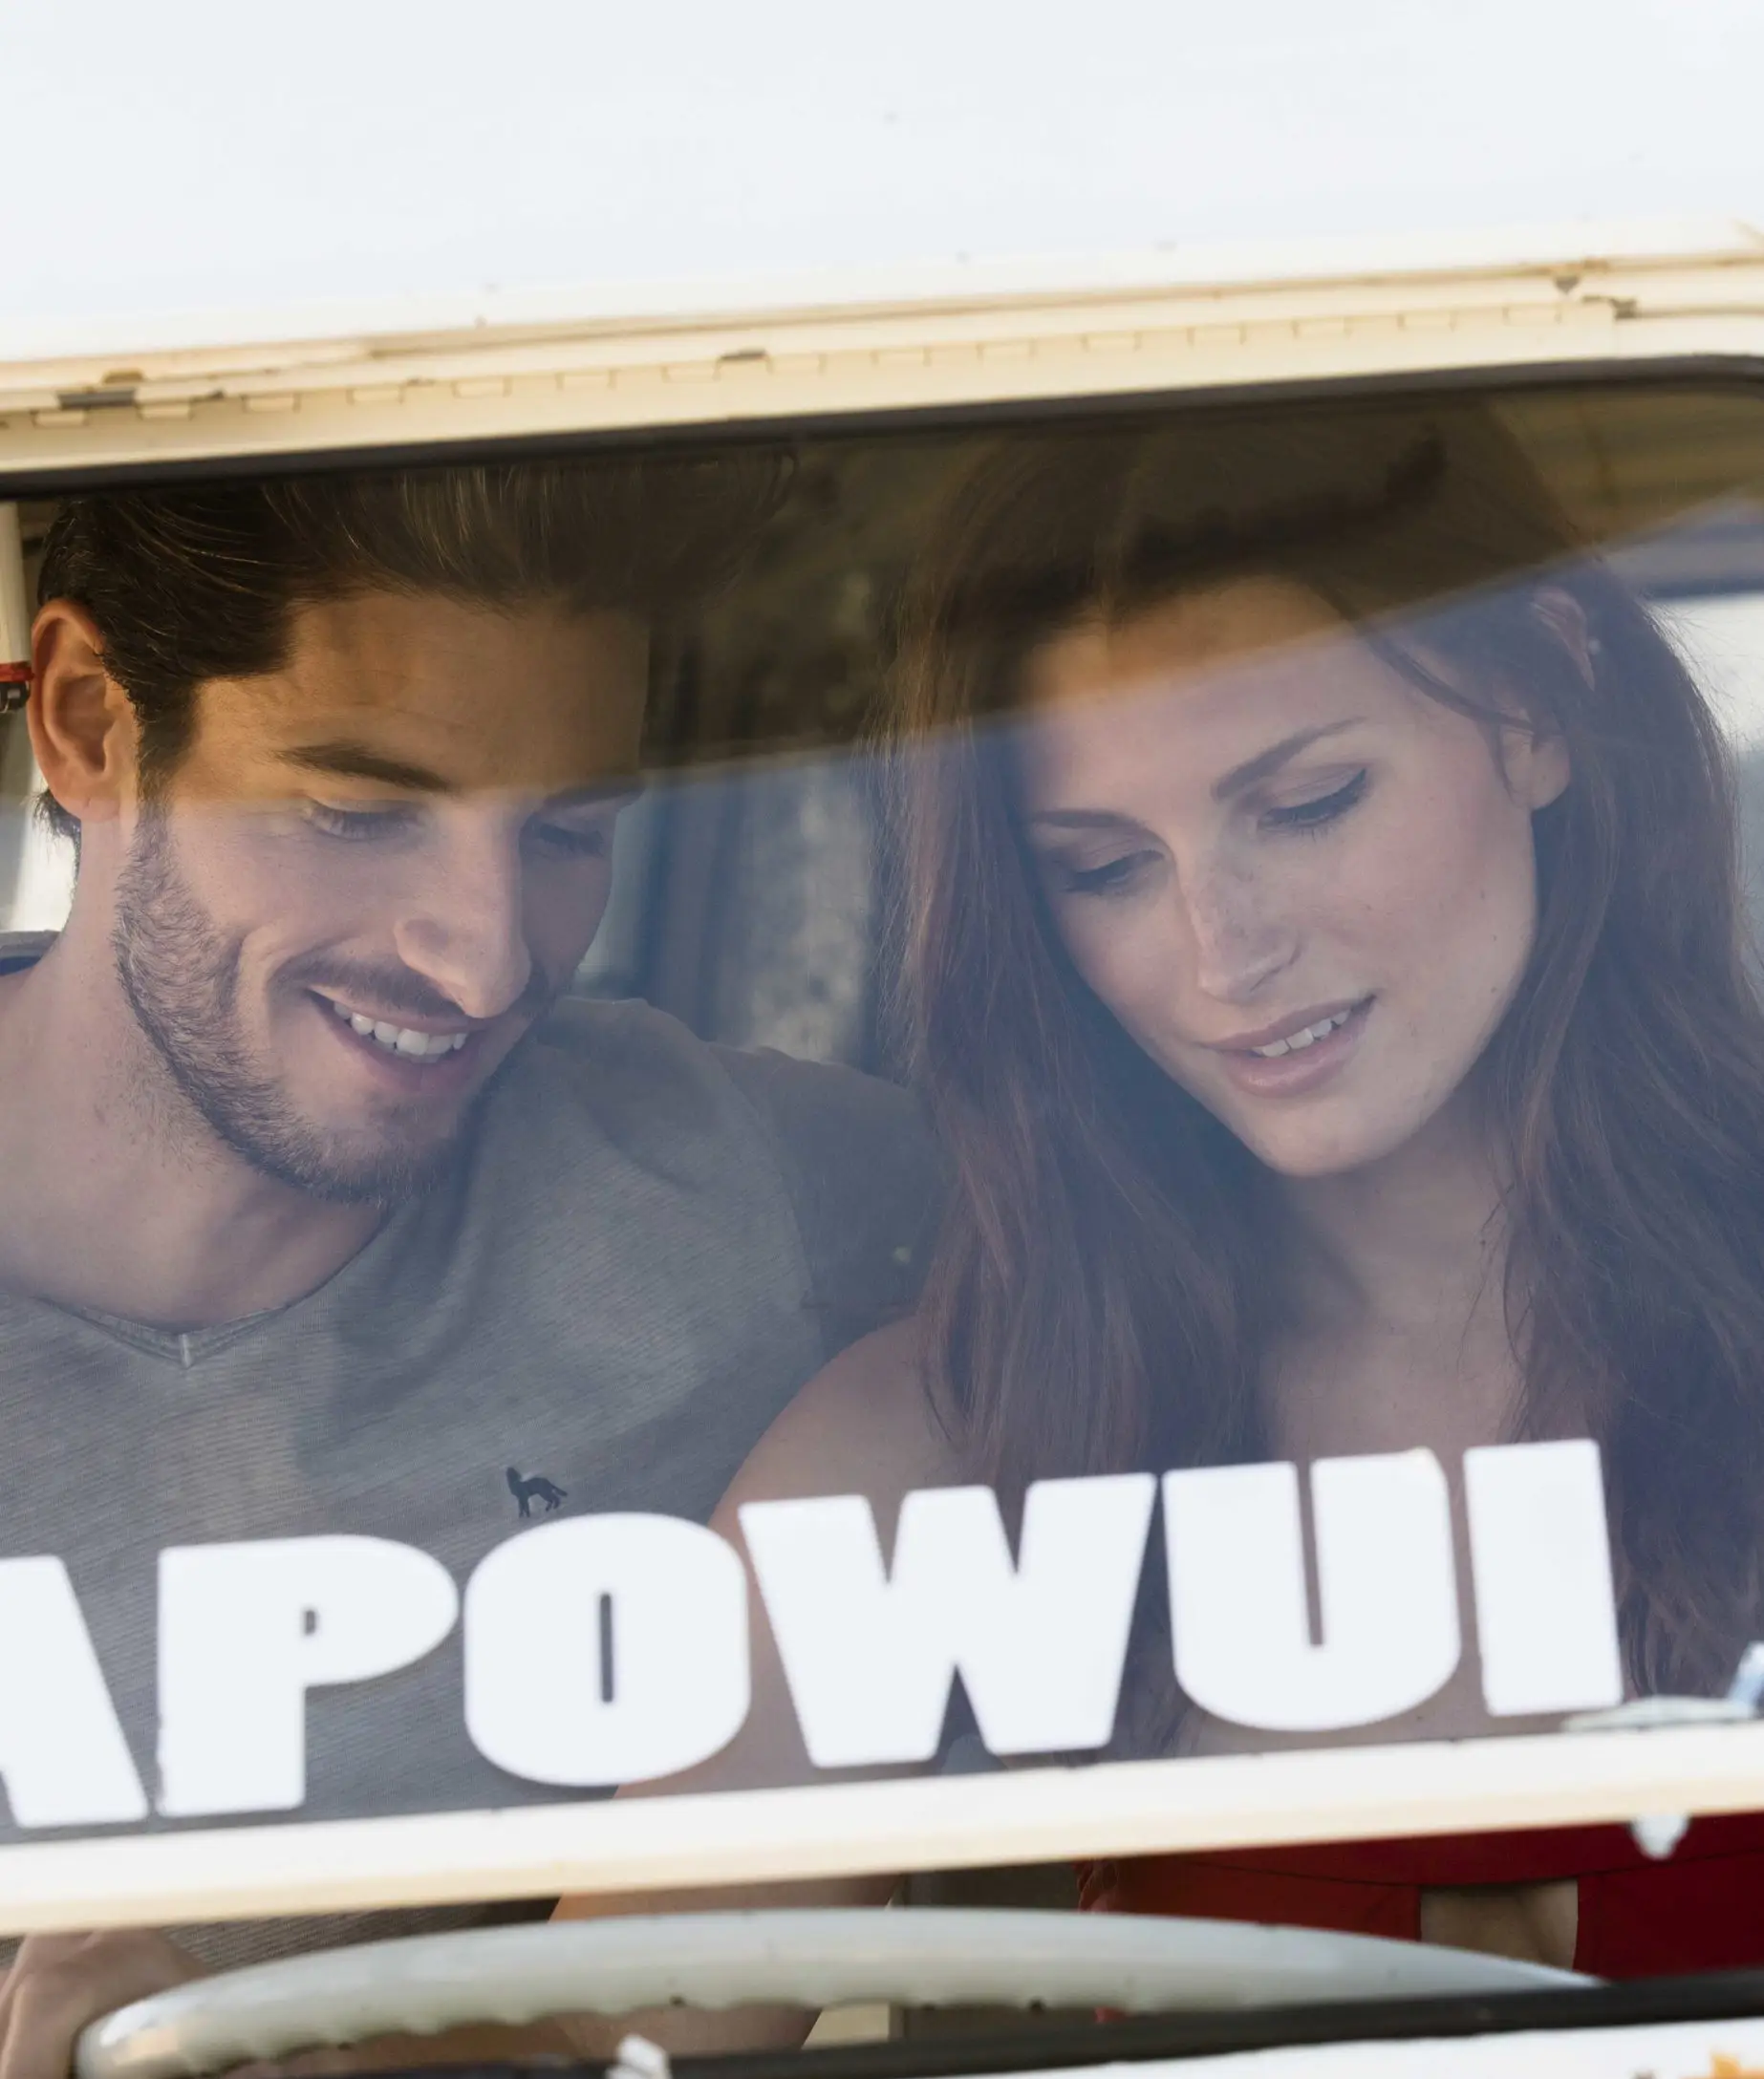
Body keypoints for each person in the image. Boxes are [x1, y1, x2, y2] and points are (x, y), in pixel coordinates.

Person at [710, 397, 1764, 1982]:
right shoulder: (964, 1431)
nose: (1223, 950)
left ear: (1536, 708)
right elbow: (587, 2057)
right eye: (1103, 868)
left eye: (1305, 803)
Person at [0, 460, 937, 2079]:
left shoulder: (757, 1210)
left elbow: (1278, 1228)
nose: (486, 957)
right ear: (87, 722)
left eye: (569, 838)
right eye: (358, 816)